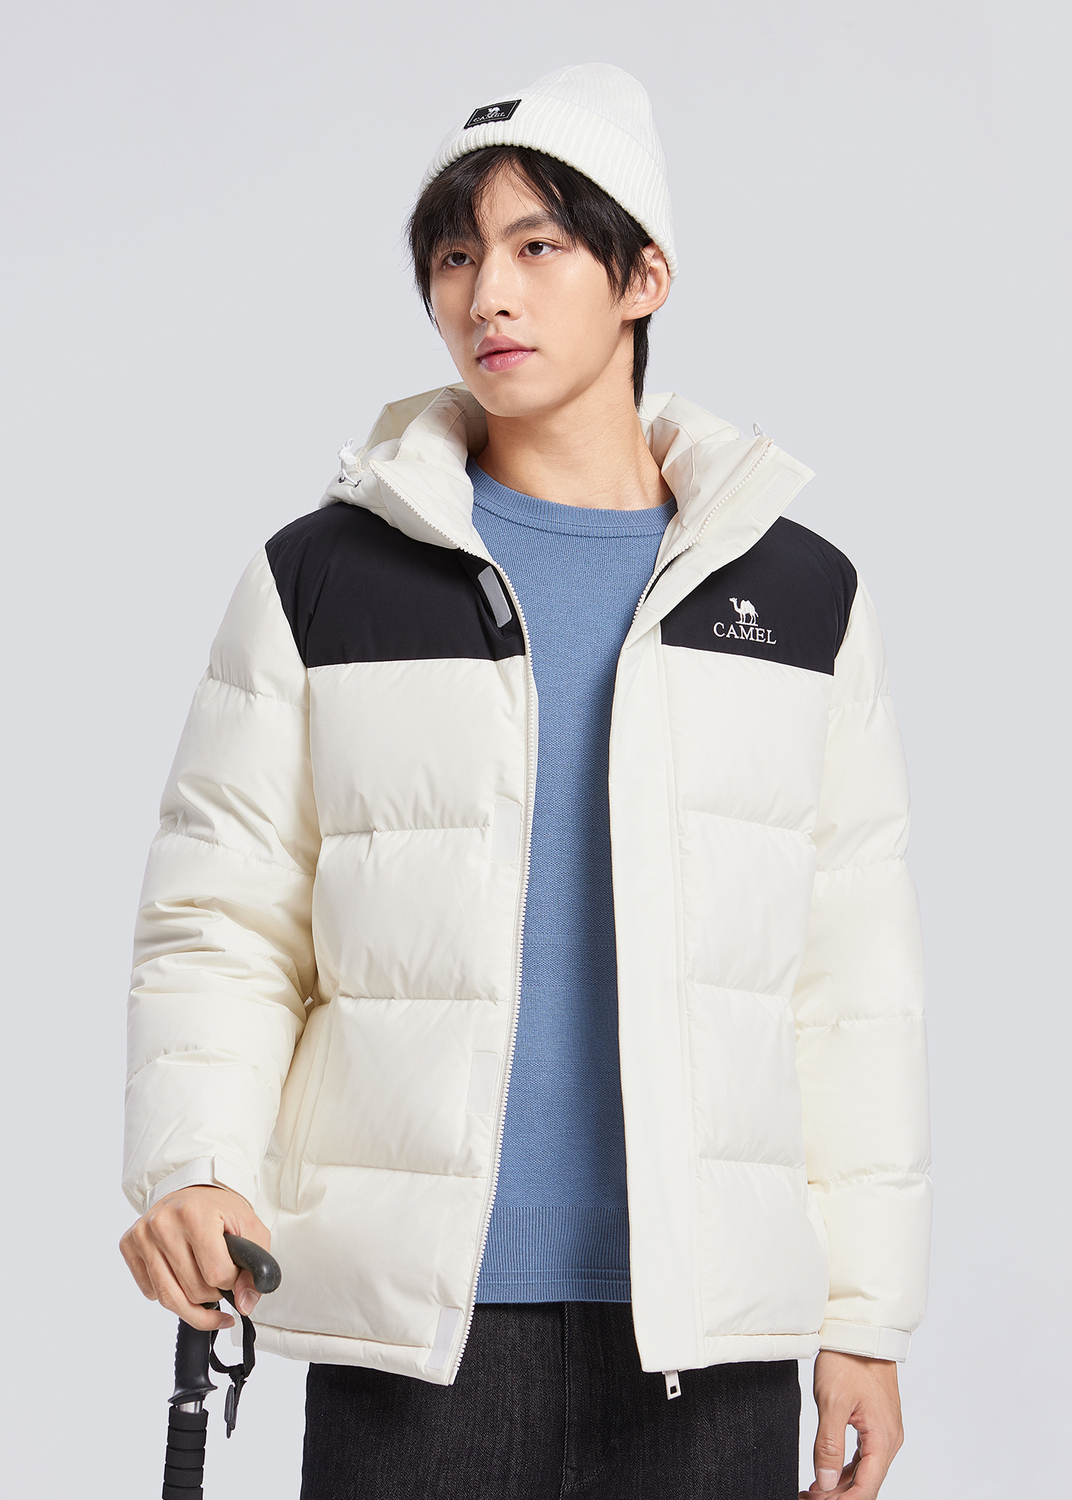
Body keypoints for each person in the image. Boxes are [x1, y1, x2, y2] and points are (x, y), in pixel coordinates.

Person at [118, 63, 930, 1500]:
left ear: (642, 276)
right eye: (453, 255)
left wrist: (864, 1317)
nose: (486, 293)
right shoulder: (322, 578)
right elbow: (222, 925)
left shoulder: (801, 595)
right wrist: (195, 1164)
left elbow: (847, 981)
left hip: (706, 1342)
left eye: (537, 245)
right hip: (416, 1341)